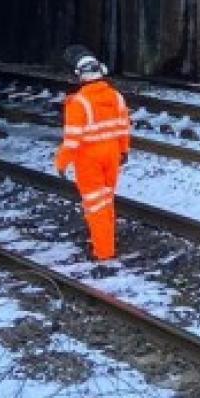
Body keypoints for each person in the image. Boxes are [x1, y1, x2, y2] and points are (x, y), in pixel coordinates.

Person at [55, 47, 130, 265]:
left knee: (95, 206)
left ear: (79, 75)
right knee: (106, 202)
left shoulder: (78, 103)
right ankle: (106, 242)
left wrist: (61, 162)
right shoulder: (117, 97)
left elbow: (72, 140)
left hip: (89, 159)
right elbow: (124, 128)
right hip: (112, 155)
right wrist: (124, 151)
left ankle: (104, 252)